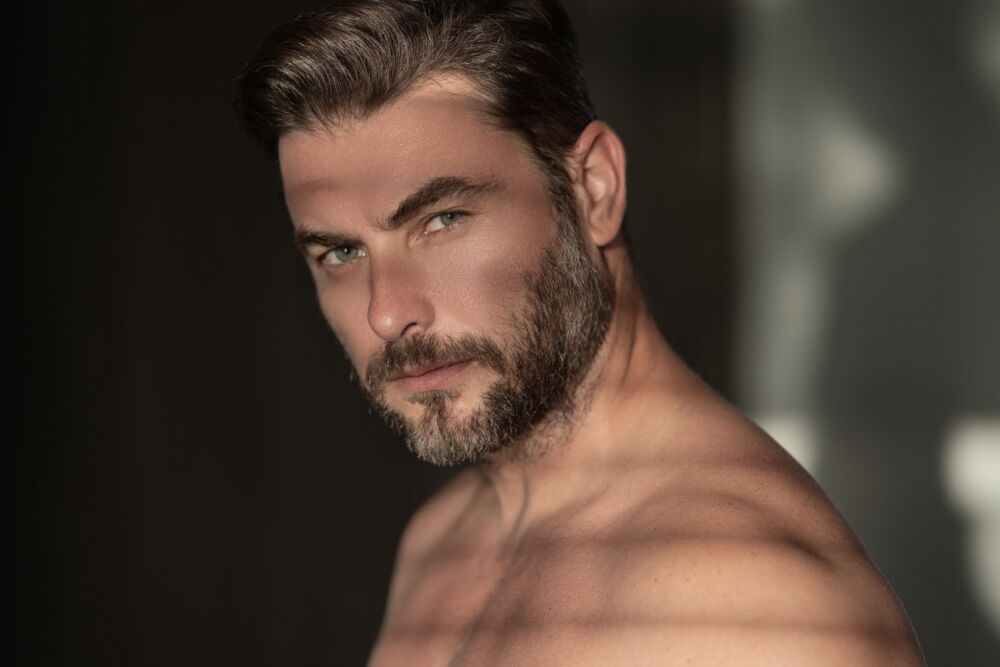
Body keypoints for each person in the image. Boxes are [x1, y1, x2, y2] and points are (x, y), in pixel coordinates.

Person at [237, 1, 924, 664]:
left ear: (593, 188)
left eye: (442, 220)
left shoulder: (759, 608)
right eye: (341, 252)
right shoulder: (440, 540)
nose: (386, 315)